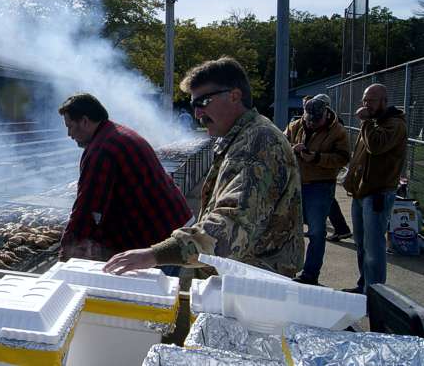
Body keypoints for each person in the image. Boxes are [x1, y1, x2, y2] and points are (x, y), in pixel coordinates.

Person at [104, 57, 304, 277]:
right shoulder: (245, 136)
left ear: (234, 96)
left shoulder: (259, 143)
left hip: (253, 283)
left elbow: (231, 225)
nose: (197, 113)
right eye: (194, 105)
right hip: (243, 276)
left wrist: (154, 255)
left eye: (203, 103)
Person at [57, 93, 192, 263]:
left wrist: (66, 253)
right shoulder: (115, 133)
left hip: (162, 236)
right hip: (174, 225)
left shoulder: (102, 149)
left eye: (70, 126)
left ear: (84, 121)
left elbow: (88, 207)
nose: (69, 134)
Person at [342, 84, 407, 294]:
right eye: (364, 100)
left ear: (384, 101)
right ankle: (364, 287)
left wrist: (366, 121)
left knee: (374, 249)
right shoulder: (373, 123)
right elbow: (360, 156)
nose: (366, 104)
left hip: (378, 194)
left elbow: (376, 146)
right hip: (361, 193)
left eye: (371, 100)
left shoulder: (394, 124)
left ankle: (375, 296)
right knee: (361, 245)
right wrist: (350, 180)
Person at [285, 97, 350, 285]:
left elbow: (343, 158)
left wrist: (316, 157)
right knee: (289, 228)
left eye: (316, 120)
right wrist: (293, 149)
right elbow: (280, 144)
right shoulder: (296, 125)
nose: (311, 124)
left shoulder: (338, 131)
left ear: (325, 114)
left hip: (321, 185)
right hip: (296, 184)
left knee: (316, 231)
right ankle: (288, 268)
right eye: (308, 119)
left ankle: (310, 274)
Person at [311, 94, 353, 242]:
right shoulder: (309, 123)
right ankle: (340, 229)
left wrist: (316, 157)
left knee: (328, 202)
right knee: (328, 202)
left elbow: (341, 157)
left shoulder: (335, 126)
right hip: (316, 173)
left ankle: (341, 229)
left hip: (325, 173)